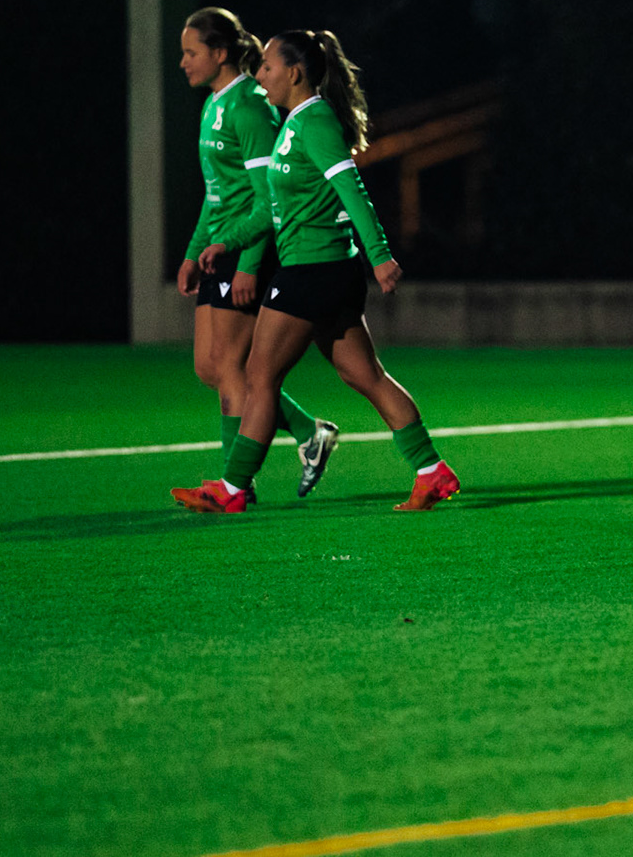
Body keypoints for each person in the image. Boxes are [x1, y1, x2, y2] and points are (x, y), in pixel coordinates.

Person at [173, 29, 461, 515]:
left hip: (314, 270)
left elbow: (353, 190)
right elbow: (274, 207)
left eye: (267, 67)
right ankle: (432, 471)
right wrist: (227, 241)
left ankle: (233, 488)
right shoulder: (295, 123)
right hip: (322, 271)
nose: (259, 75)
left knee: (259, 375)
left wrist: (380, 255)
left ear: (294, 73)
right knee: (364, 374)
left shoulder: (317, 121)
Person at [175, 7, 338, 498]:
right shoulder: (214, 104)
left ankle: (233, 487)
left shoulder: (249, 106)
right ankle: (309, 431)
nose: (183, 62)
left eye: (191, 52)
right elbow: (215, 192)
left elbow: (268, 195)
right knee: (209, 367)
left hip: (246, 248)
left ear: (220, 53)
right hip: (219, 247)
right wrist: (192, 252)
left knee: (232, 368)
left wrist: (249, 264)